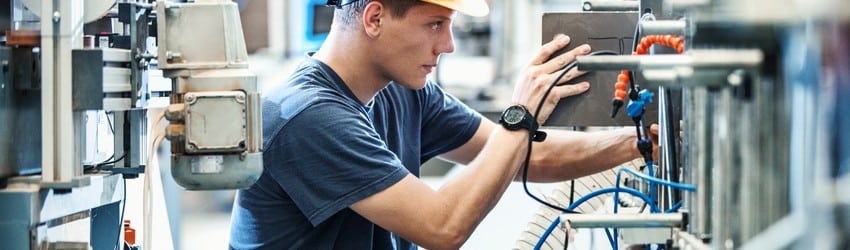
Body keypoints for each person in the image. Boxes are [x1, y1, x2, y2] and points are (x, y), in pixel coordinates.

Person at [229, 0, 651, 249]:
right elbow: (442, 227)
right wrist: (520, 115)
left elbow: (527, 156)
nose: (447, 45)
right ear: (374, 18)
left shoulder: (401, 89)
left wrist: (643, 141)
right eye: (435, 24)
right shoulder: (307, 115)